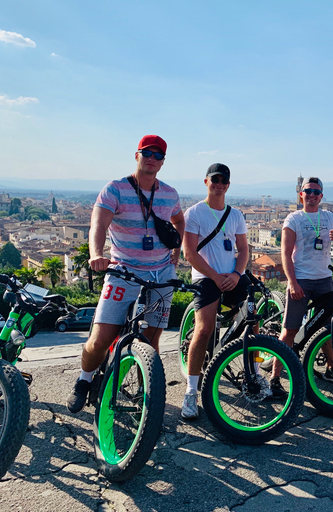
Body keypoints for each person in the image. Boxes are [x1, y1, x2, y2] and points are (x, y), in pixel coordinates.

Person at [67, 135, 184, 413]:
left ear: (163, 161)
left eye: (158, 155)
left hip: (160, 275)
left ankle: (146, 386)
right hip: (124, 272)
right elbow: (98, 223)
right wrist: (96, 253)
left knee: (152, 339)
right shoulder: (115, 189)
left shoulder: (170, 193)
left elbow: (180, 220)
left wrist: (177, 250)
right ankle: (84, 380)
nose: (152, 159)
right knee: (100, 339)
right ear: (137, 155)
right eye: (148, 153)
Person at [271, 177, 333, 397]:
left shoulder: (329, 217)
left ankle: (330, 369)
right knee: (290, 329)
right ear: (301, 194)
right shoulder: (293, 218)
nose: (312, 195)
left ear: (321, 196)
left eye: (316, 192)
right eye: (308, 191)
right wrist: (293, 282)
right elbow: (285, 254)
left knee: (325, 330)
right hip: (302, 279)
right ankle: (275, 378)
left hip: (324, 279)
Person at [180, 164, 250, 419]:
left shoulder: (236, 215)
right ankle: (190, 391)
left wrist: (235, 274)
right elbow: (189, 253)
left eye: (224, 180)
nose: (220, 183)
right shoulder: (195, 212)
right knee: (204, 329)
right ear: (206, 182)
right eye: (215, 179)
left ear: (228, 184)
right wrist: (215, 277)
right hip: (206, 277)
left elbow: (243, 250)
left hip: (231, 276)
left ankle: (250, 373)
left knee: (251, 321)